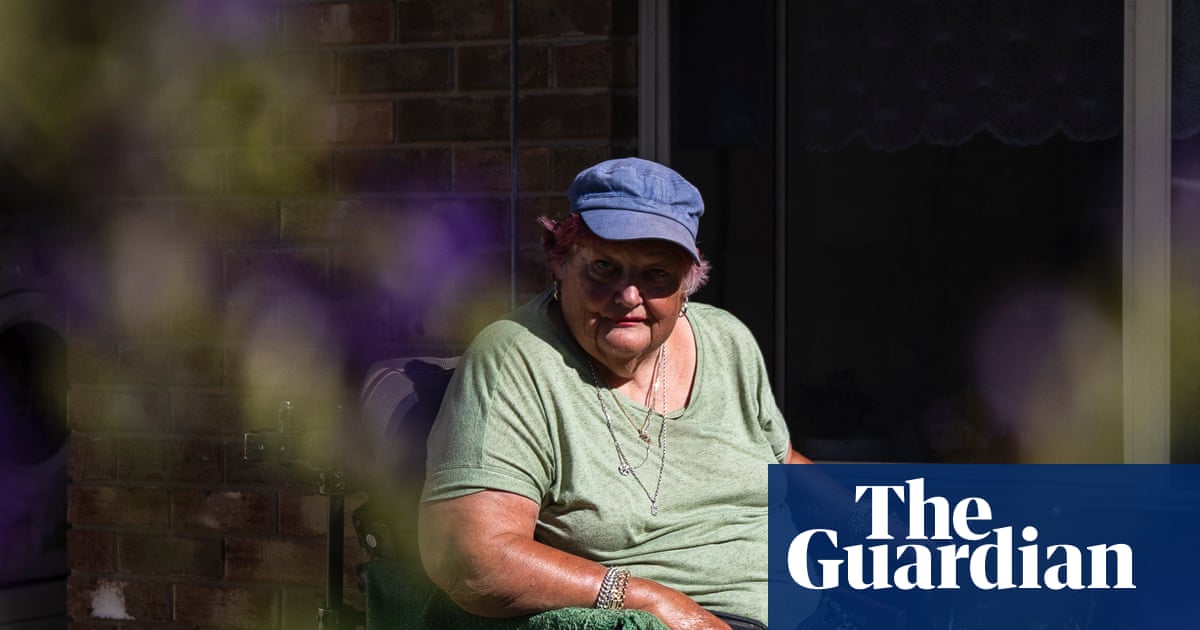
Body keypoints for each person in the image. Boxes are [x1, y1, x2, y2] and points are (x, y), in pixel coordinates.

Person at [417, 157, 810, 630]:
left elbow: (783, 463)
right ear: (561, 262)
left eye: (657, 274)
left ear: (687, 284)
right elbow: (470, 556)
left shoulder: (726, 339)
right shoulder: (516, 358)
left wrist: (875, 525)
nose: (628, 296)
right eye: (604, 267)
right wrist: (652, 603)